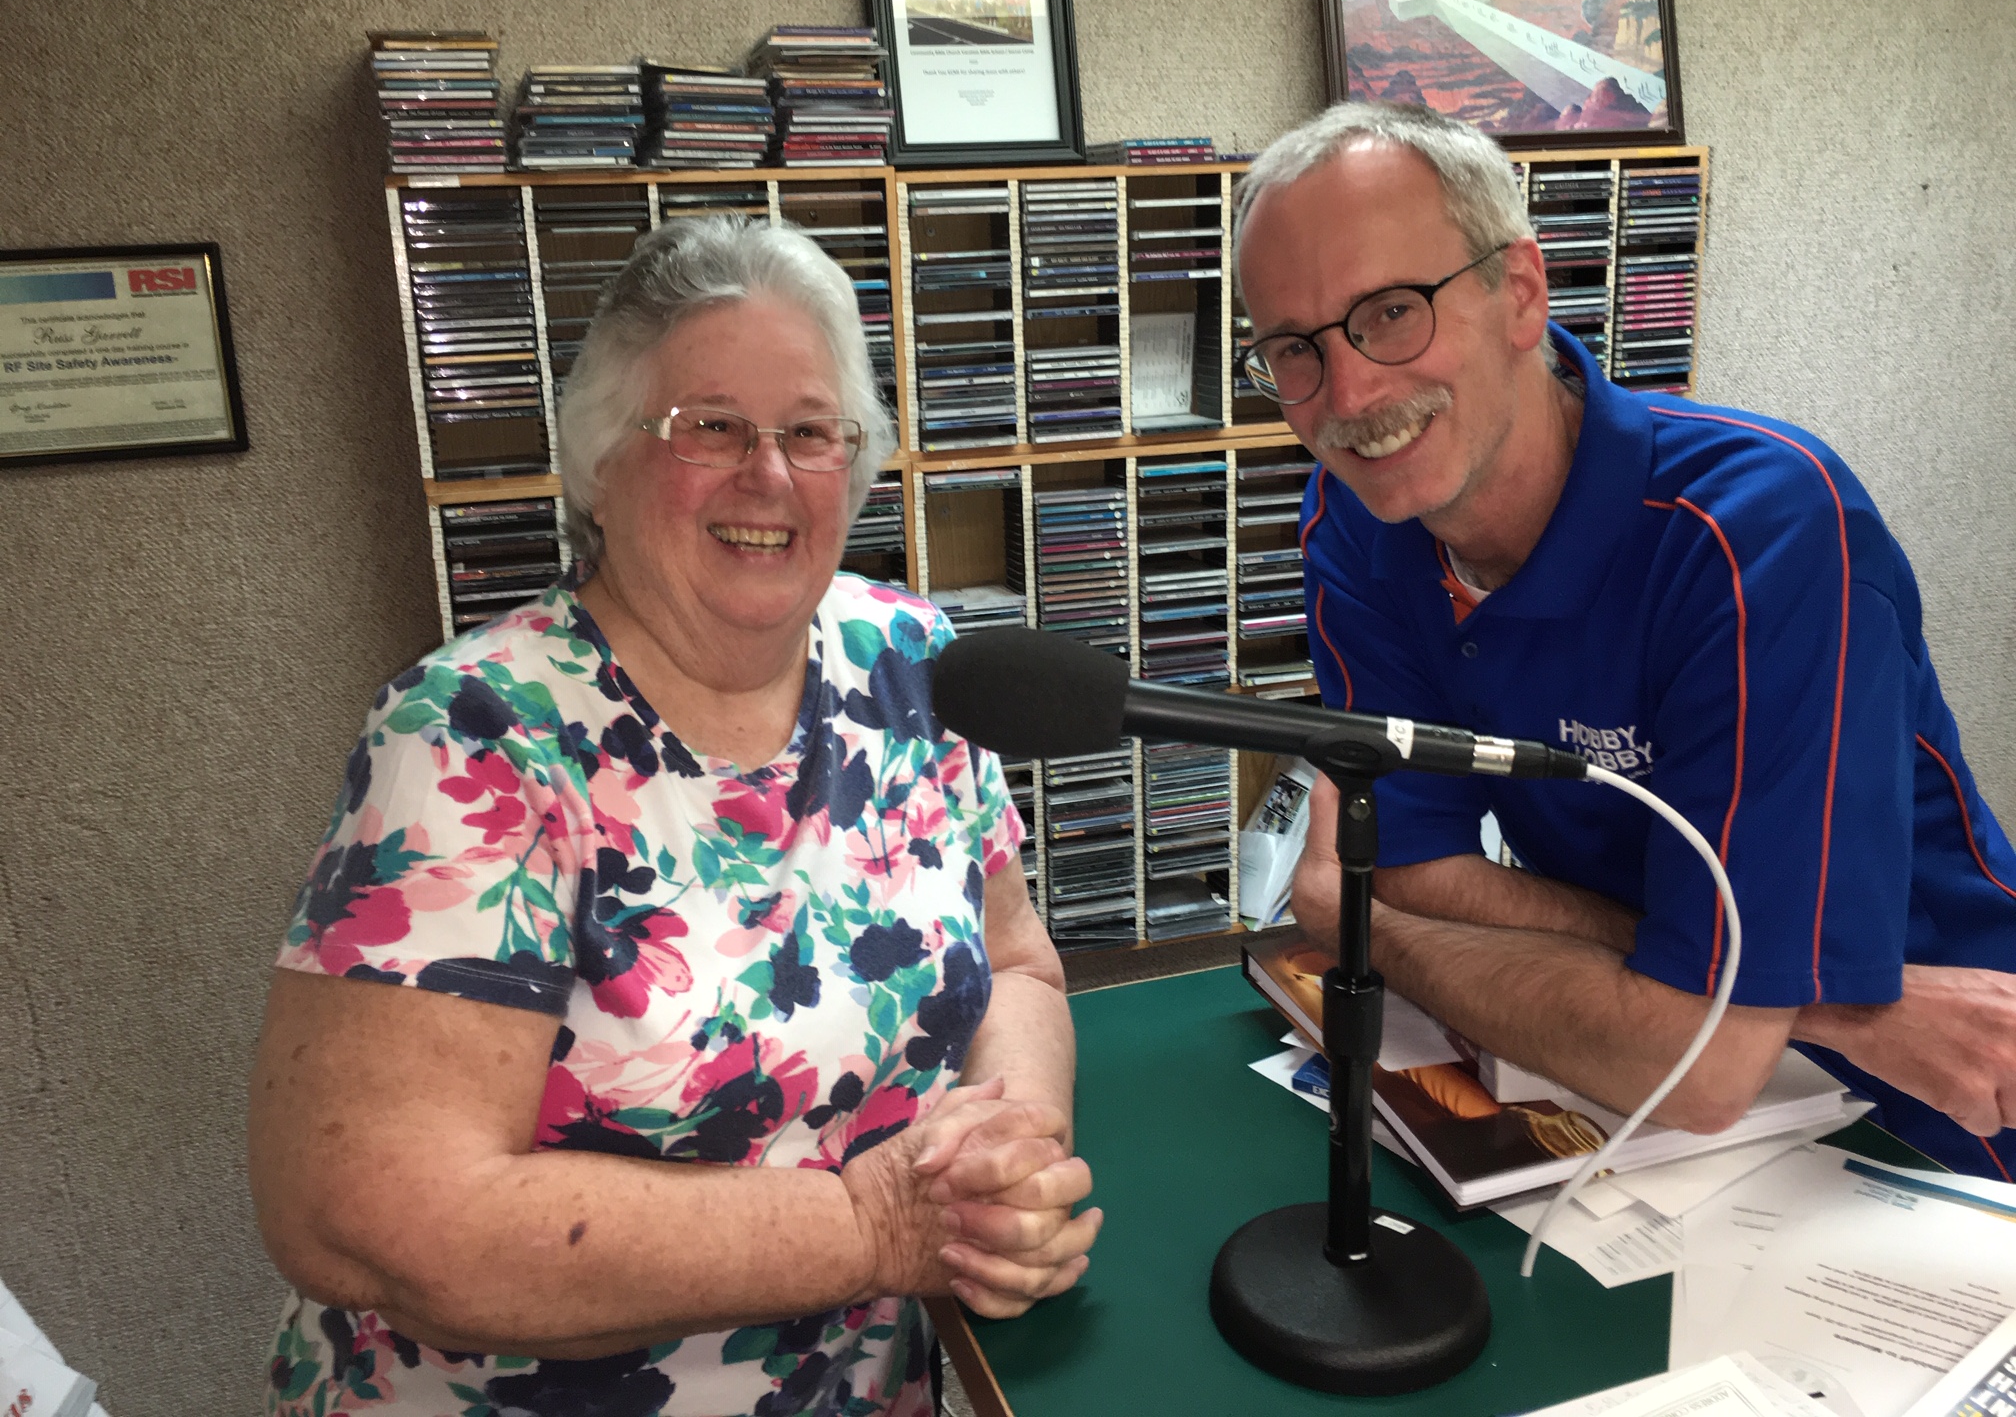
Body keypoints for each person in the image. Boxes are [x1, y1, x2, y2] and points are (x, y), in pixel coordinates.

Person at [247, 215, 1100, 1416]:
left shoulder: (914, 660)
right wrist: (867, 1226)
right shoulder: (471, 738)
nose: (769, 474)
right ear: (601, 459)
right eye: (710, 428)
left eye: (811, 432)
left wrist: (1009, 1156)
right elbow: (373, 1222)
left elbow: (1017, 968)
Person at [1231, 100, 2016, 1179]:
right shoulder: (1360, 528)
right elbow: (1417, 870)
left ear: (1519, 292)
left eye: (1392, 311)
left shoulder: (1762, 533)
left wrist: (1357, 929)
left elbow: (1697, 1068)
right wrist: (1812, 1008)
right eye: (1294, 349)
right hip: (1681, 1096)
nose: (1350, 393)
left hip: (1947, 1106)